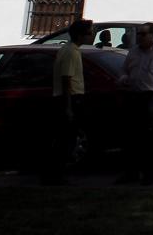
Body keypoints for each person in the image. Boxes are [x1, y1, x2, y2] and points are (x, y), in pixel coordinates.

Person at [118, 22, 153, 184]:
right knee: (131, 137)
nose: (140, 37)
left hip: (152, 96)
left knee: (149, 137)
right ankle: (131, 173)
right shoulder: (134, 51)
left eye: (143, 34)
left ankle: (149, 174)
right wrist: (124, 79)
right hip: (134, 95)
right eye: (138, 34)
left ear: (152, 35)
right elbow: (124, 70)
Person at [47, 18, 94, 184]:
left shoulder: (69, 49)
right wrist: (68, 106)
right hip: (71, 98)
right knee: (66, 138)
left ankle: (56, 173)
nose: (92, 36)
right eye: (89, 33)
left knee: (65, 137)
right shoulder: (71, 52)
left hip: (69, 97)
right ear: (81, 35)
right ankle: (56, 175)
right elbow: (66, 78)